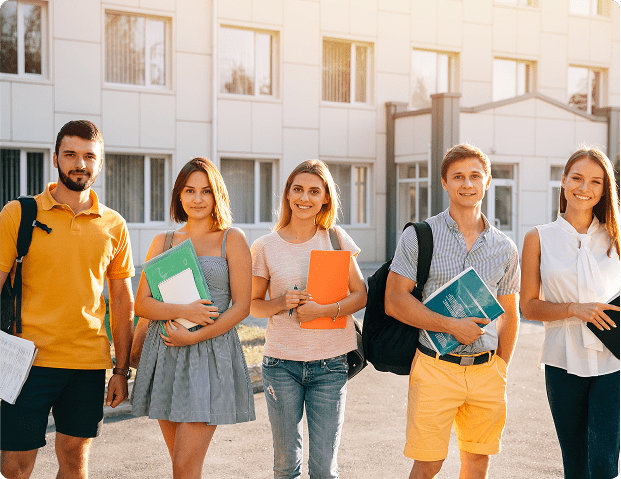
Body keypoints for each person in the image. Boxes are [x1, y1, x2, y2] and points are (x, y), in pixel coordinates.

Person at [0, 120, 135, 479]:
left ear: (100, 162)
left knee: (75, 461)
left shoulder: (114, 225)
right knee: (14, 467)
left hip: (87, 364)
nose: (80, 163)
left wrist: (121, 370)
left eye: (89, 156)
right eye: (71, 154)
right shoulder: (19, 214)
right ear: (56, 158)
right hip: (26, 362)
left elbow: (123, 304)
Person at [384, 143, 520, 479]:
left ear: (487, 181)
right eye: (458, 176)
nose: (467, 183)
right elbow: (395, 300)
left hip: (486, 371)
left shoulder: (504, 247)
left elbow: (510, 314)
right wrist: (451, 325)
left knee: (477, 462)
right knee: (428, 463)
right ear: (444, 182)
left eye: (475, 176)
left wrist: (500, 366)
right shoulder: (419, 236)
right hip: (435, 368)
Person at [131, 157, 255, 479]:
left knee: (185, 467)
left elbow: (241, 307)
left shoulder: (232, 239)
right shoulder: (164, 242)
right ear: (179, 195)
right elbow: (141, 304)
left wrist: (195, 335)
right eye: (189, 190)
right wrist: (184, 312)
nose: (197, 199)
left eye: (206, 191)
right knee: (182, 468)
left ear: (217, 196)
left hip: (211, 355)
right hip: (167, 354)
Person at [250, 160, 367, 479]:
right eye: (298, 189)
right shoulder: (265, 247)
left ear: (326, 198)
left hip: (330, 365)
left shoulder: (336, 238)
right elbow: (253, 306)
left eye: (314, 191)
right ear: (287, 194)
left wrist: (323, 311)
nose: (305, 197)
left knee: (324, 469)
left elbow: (360, 294)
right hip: (281, 365)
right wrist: (281, 301)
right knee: (286, 466)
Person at [520, 147, 620, 479]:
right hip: (563, 362)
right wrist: (573, 309)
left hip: (613, 362)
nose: (584, 188)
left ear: (604, 190)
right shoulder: (538, 238)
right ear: (563, 182)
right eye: (576, 178)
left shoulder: (616, 237)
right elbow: (528, 306)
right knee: (575, 464)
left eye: (595, 181)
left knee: (604, 464)